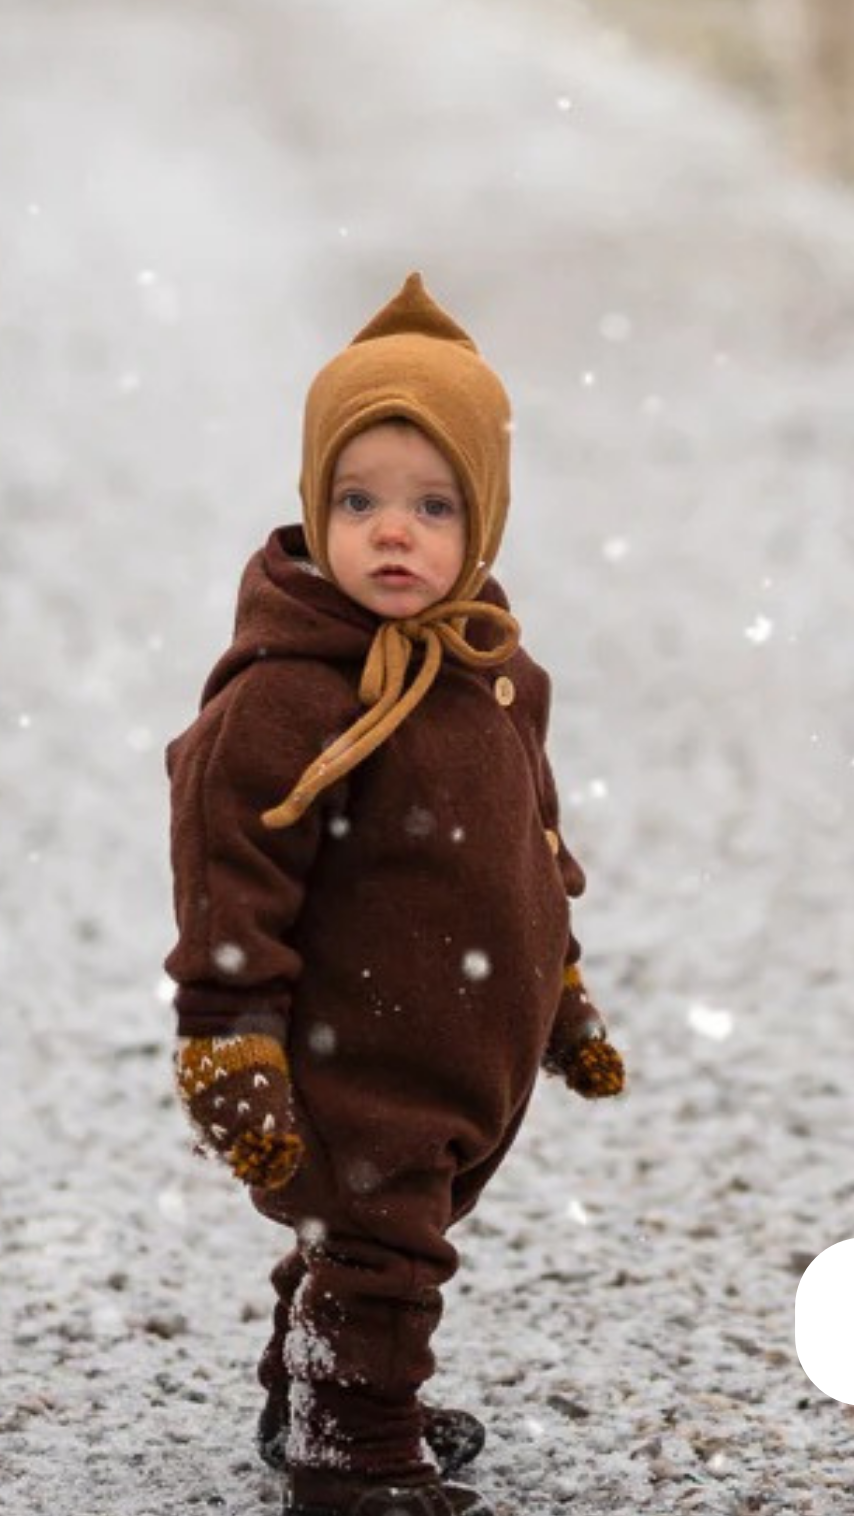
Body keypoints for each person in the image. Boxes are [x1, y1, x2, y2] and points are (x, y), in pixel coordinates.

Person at [164, 272, 624, 1516]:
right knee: (383, 1247)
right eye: (357, 499)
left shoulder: (496, 668)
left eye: (434, 504)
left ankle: (307, 1384)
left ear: (487, 521)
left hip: (464, 1044)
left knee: (364, 1240)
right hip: (355, 1050)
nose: (393, 531)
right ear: (316, 506)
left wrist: (564, 996)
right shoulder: (288, 693)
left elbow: (533, 841)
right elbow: (229, 867)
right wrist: (229, 1034)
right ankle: (351, 1454)